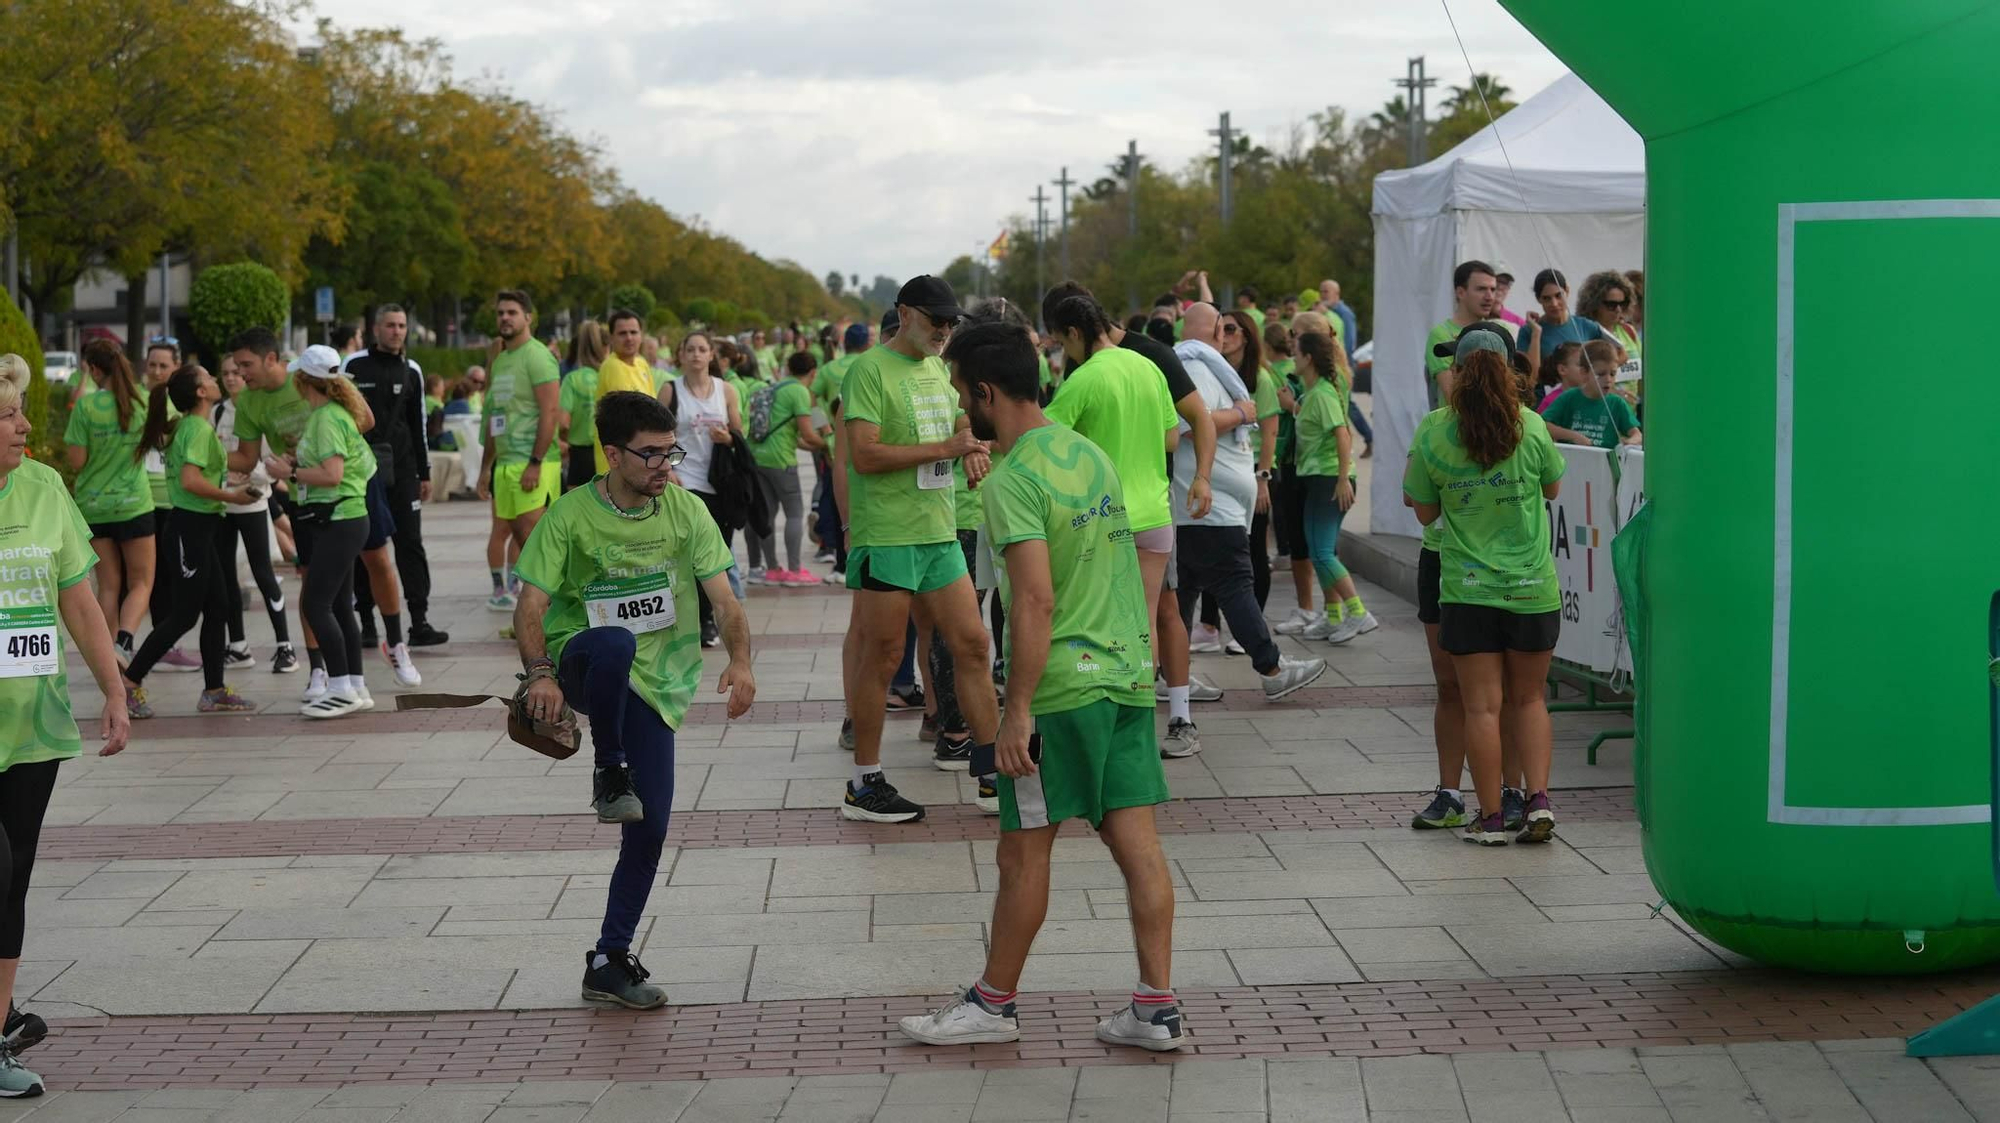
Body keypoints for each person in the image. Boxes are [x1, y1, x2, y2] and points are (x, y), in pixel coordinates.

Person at [898, 322, 1184, 1054]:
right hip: (1125, 679)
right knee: (1139, 846)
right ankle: (1155, 1009)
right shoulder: (1089, 455)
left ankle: (992, 1004)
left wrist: (1015, 709)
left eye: (965, 395)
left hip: (1062, 691)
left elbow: (1033, 601)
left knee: (1022, 850)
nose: (964, 410)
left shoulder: (1014, 480)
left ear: (987, 392)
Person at [514, 391, 754, 1008]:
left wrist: (742, 661)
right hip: (583, 659)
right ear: (612, 454)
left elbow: (724, 601)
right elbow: (532, 607)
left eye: (670, 451)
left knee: (651, 828)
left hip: (657, 684)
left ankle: (608, 959)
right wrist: (540, 674)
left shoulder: (685, 511)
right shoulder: (568, 515)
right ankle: (607, 766)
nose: (665, 465)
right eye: (650, 455)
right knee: (616, 641)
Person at [0, 366, 132, 1099]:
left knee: (13, 876)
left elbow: (80, 603)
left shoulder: (45, 488)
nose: (25, 428)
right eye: (12, 417)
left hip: (34, 723)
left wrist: (113, 689)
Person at [840, 275, 1000, 824]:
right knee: (883, 657)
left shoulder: (937, 365)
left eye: (951, 322)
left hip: (939, 530)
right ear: (905, 314)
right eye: (937, 320)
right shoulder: (867, 371)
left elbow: (957, 417)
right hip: (887, 534)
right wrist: (946, 447)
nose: (945, 330)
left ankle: (990, 770)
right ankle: (865, 783)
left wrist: (971, 446)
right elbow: (863, 455)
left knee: (974, 644)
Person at [1040, 281, 1221, 751]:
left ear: (1075, 332)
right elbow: (1169, 439)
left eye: (1061, 342)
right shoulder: (1147, 367)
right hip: (1155, 513)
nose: (1062, 354)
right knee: (1142, 620)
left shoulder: (1087, 376)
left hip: (1104, 516)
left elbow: (1043, 438)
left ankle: (1118, 725)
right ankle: (1142, 725)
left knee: (1109, 624)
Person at [1404, 333, 1565, 846]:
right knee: (1530, 699)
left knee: (1481, 708)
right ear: (1508, 370)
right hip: (1532, 586)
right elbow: (1554, 487)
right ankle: (1537, 801)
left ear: (1459, 371)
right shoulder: (1532, 424)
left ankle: (1491, 817)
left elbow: (1424, 511)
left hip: (1468, 588)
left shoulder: (1434, 430)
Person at [1170, 309, 1327, 702]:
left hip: (1197, 507)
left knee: (1181, 594)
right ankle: (1271, 668)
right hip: (1209, 507)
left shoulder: (1194, 365)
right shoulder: (1198, 367)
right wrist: (1241, 413)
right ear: (1216, 332)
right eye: (1224, 328)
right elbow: (1190, 424)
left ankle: (1170, 677)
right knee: (1236, 585)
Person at [229, 329, 377, 702]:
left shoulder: (325, 409)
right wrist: (200, 452)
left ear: (273, 360)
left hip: (338, 502)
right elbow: (246, 459)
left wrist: (312, 455)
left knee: (318, 599)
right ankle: (332, 676)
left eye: (246, 364)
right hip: (309, 503)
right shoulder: (251, 402)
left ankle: (342, 685)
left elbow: (359, 427)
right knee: (331, 596)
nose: (239, 372)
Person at [118, 363, 263, 716]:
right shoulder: (196, 428)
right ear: (200, 392)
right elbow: (189, 481)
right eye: (209, 378)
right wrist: (234, 496)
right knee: (184, 615)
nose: (216, 380)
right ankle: (128, 684)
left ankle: (213, 690)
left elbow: (222, 463)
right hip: (190, 529)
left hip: (200, 527)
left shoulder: (193, 426)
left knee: (219, 607)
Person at [340, 304, 445, 644]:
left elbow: (420, 427)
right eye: (390, 325)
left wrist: (424, 473)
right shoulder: (353, 366)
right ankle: (367, 624)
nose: (397, 331)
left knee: (410, 544)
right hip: (363, 473)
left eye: (401, 325)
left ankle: (420, 621)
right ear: (376, 329)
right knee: (365, 546)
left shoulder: (411, 370)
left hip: (404, 472)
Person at [63, 341, 155, 665]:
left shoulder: (86, 408)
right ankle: (125, 642)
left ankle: (105, 655)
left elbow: (76, 460)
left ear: (94, 370)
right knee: (142, 582)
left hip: (94, 505)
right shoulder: (142, 401)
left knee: (108, 586)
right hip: (134, 504)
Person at [479, 290, 562, 622]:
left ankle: (553, 606)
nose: (505, 318)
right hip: (506, 463)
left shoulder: (537, 356)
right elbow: (494, 419)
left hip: (533, 463)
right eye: (500, 313)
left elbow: (550, 411)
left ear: (528, 317)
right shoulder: (500, 359)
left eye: (512, 312)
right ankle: (532, 606)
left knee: (534, 537)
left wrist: (536, 461)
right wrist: (486, 466)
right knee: (517, 534)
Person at [1292, 332, 1377, 644]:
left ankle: (1358, 612)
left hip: (1329, 478)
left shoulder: (1323, 393)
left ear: (1309, 357)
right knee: (1319, 550)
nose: (1293, 357)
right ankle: (1335, 615)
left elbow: (1343, 435)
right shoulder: (1315, 393)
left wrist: (1343, 478)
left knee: (1323, 552)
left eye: (1296, 351)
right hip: (1321, 477)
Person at [660, 331, 743, 648]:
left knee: (716, 554)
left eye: (702, 349)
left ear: (712, 355)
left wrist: (728, 438)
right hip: (684, 482)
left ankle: (707, 617)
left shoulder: (726, 391)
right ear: (680, 355)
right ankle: (690, 618)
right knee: (686, 554)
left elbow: (739, 434)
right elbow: (656, 435)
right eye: (690, 349)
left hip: (720, 483)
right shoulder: (671, 390)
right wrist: (668, 468)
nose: (696, 354)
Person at [214, 358, 297, 674]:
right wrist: (222, 480)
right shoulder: (218, 411)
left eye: (237, 372)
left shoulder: (259, 407)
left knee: (263, 572)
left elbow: (272, 457)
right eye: (226, 374)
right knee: (227, 576)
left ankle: (285, 646)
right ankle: (238, 645)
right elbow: (213, 455)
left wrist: (253, 480)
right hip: (223, 503)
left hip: (252, 502)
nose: (233, 378)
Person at [745, 351, 824, 586]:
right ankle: (794, 570)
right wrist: (829, 444)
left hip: (758, 457)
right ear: (813, 372)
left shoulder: (775, 388)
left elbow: (788, 433)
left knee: (767, 514)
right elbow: (809, 433)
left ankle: (772, 570)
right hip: (781, 461)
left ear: (788, 368)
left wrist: (808, 444)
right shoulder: (799, 391)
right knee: (794, 513)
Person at [1518, 268, 1623, 383]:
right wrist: (1536, 334)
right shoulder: (1528, 331)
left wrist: (1595, 377)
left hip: (1580, 398)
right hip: (1547, 400)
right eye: (1546, 298)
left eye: (1558, 295)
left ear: (1567, 291)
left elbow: (1621, 353)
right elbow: (1531, 377)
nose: (1554, 303)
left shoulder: (1585, 325)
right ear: (1538, 299)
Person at [1542, 340, 1642, 449]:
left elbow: (1637, 434)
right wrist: (1573, 436)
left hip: (1603, 463)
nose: (1608, 379)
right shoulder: (1569, 397)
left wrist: (1629, 442)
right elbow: (1543, 425)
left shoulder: (1617, 403)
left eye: (1613, 374)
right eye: (1600, 374)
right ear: (1584, 372)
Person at [1426, 261, 1499, 405]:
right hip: (1456, 424)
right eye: (1481, 289)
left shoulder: (1498, 331)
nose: (1489, 296)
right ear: (1460, 292)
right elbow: (1452, 395)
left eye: (1493, 289)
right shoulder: (1441, 334)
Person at [592, 310, 653, 474]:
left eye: (634, 332)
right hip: (620, 463)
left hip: (642, 458)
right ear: (611, 338)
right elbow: (629, 416)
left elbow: (654, 409)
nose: (629, 338)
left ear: (641, 335)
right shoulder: (612, 366)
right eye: (622, 333)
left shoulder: (642, 364)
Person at [557, 320, 607, 491]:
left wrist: (563, 439)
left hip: (579, 455)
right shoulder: (611, 375)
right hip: (609, 453)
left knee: (577, 513)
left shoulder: (572, 379)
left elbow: (563, 422)